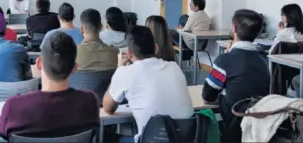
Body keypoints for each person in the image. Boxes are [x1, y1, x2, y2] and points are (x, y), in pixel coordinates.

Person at [0, 32, 99, 139]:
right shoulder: (90, 102)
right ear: (75, 67)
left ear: (39, 63)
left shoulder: (13, 107)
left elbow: (3, 135)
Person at [103, 26, 194, 143]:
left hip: (152, 139)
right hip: (186, 138)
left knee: (106, 136)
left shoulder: (125, 72)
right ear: (156, 48)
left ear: (129, 53)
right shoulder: (174, 67)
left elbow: (108, 108)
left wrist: (119, 68)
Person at [202, 9, 270, 141]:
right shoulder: (264, 62)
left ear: (233, 28)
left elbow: (207, 97)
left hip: (233, 125)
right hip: (258, 126)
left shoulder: (225, 60)